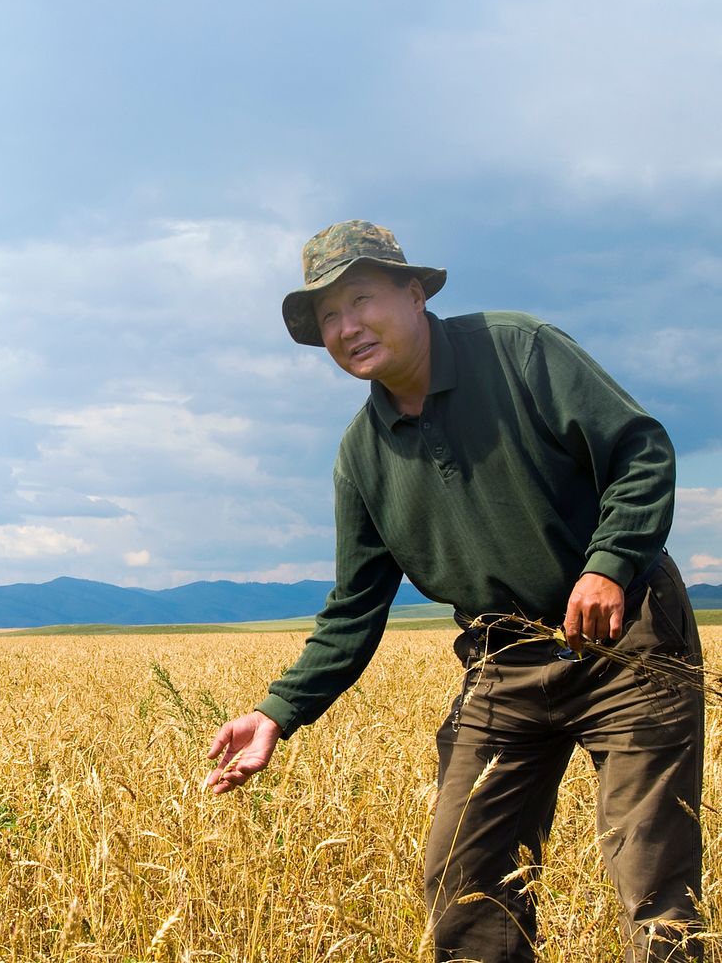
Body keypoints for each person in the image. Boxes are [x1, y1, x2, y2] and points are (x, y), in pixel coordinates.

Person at [206, 220, 704, 963]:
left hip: (625, 639)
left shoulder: (519, 349)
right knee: (464, 884)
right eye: (328, 318)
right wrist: (277, 712)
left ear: (414, 295)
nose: (346, 328)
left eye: (360, 300)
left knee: (654, 882)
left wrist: (609, 563)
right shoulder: (361, 456)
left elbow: (641, 449)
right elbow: (353, 609)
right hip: (503, 662)